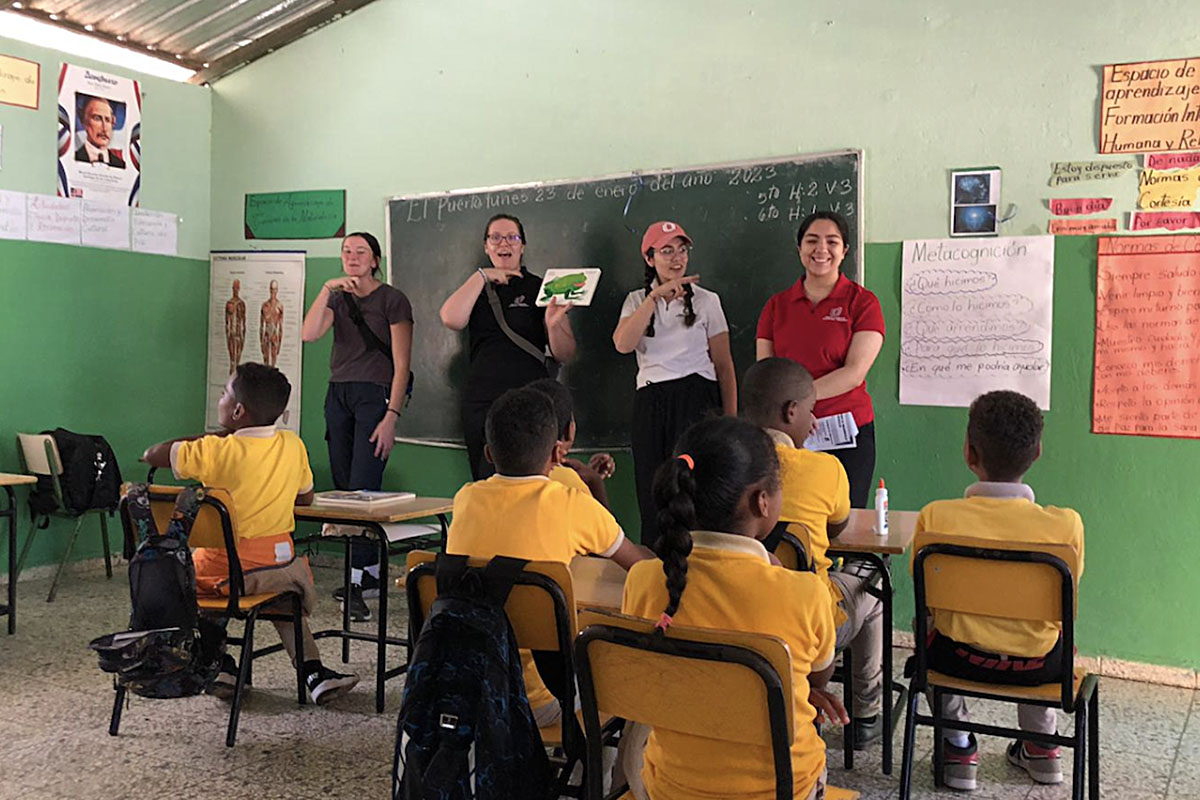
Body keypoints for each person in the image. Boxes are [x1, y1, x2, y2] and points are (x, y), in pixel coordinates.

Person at [621, 416, 845, 800]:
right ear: (762, 501)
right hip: (783, 790)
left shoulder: (643, 581)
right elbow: (818, 679)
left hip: (672, 788)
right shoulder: (804, 593)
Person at [141, 363, 358, 705]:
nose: (221, 397)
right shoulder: (292, 445)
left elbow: (151, 455)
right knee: (284, 600)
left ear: (238, 410)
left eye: (225, 393)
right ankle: (313, 673)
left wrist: (210, 437)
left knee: (199, 580)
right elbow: (305, 498)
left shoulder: (215, 451)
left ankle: (221, 664)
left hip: (221, 576)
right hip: (279, 572)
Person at [445, 387, 651, 726]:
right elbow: (638, 565)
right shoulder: (570, 503)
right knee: (639, 676)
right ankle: (600, 770)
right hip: (540, 701)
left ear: (489, 453)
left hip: (469, 691)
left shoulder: (465, 499)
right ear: (558, 453)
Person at [914, 390, 1084, 790]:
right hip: (1039, 667)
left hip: (954, 660)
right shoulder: (1066, 526)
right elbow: (1065, 607)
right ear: (1037, 452)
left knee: (927, 624)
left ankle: (957, 746)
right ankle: (1042, 745)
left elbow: (927, 600)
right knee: (1048, 628)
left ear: (969, 453)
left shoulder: (936, 517)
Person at [742, 357, 884, 748]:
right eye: (810, 411)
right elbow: (838, 528)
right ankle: (866, 712)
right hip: (807, 615)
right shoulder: (824, 469)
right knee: (873, 582)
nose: (812, 420)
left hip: (734, 609)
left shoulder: (723, 466)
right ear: (791, 412)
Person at [300, 231, 413, 621]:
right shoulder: (337, 295)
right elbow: (309, 333)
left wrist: (391, 417)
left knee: (364, 490)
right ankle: (367, 574)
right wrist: (326, 288)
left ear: (375, 259)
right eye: (346, 251)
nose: (352, 257)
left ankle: (356, 583)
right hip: (338, 395)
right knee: (345, 488)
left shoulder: (392, 299)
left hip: (375, 396)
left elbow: (402, 363)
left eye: (360, 251)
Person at [612, 220, 737, 550]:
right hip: (652, 402)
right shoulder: (636, 300)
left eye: (682, 249)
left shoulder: (708, 301)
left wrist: (731, 421)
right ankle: (654, 571)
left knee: (694, 492)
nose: (676, 257)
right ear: (649, 258)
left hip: (697, 400)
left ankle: (698, 566)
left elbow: (724, 365)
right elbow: (623, 344)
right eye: (666, 250)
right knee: (653, 491)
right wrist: (653, 298)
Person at [756, 211, 884, 507]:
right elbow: (767, 373)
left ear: (844, 251)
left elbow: (854, 372)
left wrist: (800, 403)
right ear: (799, 248)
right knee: (789, 523)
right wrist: (795, 414)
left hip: (848, 433)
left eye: (832, 242)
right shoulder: (776, 306)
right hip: (787, 435)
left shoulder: (863, 303)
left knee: (846, 525)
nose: (821, 249)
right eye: (811, 241)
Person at [439, 214, 576, 481]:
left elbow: (565, 353)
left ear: (522, 246)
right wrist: (482, 276)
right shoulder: (476, 286)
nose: (504, 243)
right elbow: (450, 318)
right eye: (496, 238)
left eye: (512, 237)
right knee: (487, 482)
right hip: (483, 401)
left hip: (531, 401)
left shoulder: (540, 287)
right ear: (486, 246)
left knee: (534, 480)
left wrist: (553, 323)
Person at [527, 377, 616, 507]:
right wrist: (595, 482)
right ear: (570, 431)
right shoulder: (570, 483)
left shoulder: (502, 476)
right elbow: (605, 526)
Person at [74, 95, 126, 168]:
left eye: (108, 120)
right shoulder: (74, 158)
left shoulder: (121, 164)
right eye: (97, 118)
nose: (104, 128)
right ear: (84, 121)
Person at [260, 279, 283, 367]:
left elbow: (280, 326)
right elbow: (261, 325)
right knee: (266, 362)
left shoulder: (279, 306)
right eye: (272, 289)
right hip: (266, 334)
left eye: (275, 289)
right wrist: (261, 342)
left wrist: (279, 344)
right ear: (269, 290)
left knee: (273, 363)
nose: (273, 292)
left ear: (277, 290)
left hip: (274, 335)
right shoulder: (265, 305)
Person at [225, 279, 246, 375]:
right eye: (234, 287)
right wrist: (228, 333)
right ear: (232, 288)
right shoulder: (229, 303)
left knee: (237, 356)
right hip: (231, 333)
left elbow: (243, 321)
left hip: (238, 333)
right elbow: (227, 321)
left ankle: (235, 372)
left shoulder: (241, 304)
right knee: (232, 358)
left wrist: (243, 335)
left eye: (237, 287)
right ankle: (232, 372)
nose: (236, 289)